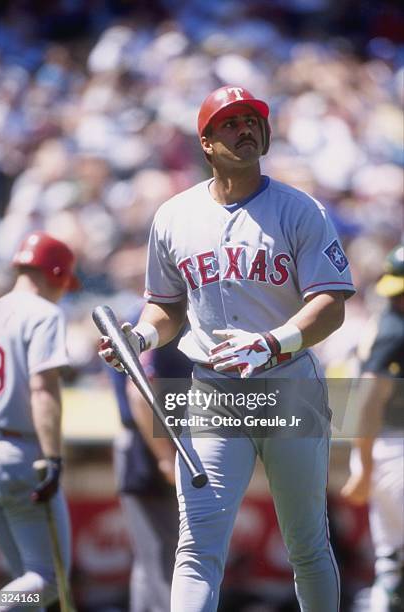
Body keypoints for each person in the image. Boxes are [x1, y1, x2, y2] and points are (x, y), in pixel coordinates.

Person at [99, 85, 356, 612]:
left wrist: (272, 342)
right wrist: (139, 337)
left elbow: (332, 303)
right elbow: (165, 308)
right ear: (207, 142)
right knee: (196, 548)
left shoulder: (299, 208)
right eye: (231, 123)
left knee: (306, 544)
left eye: (252, 121)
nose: (246, 130)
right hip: (214, 392)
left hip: (288, 385)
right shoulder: (173, 216)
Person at [0, 231, 79, 611]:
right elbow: (43, 389)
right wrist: (53, 458)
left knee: (25, 584)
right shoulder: (44, 312)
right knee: (46, 580)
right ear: (56, 274)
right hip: (20, 452)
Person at [105, 302, 192, 612]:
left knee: (154, 558)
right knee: (163, 555)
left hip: (154, 442)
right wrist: (166, 457)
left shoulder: (168, 316)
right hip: (149, 444)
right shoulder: (152, 318)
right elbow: (138, 391)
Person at [341, 244, 404, 612]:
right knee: (392, 562)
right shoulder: (394, 329)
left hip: (384, 449)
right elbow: (366, 398)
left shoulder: (387, 322)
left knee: (392, 561)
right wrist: (362, 464)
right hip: (393, 449)